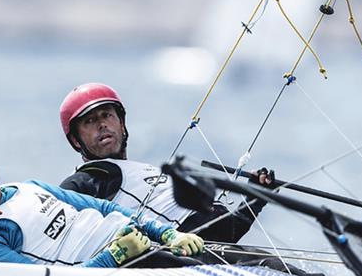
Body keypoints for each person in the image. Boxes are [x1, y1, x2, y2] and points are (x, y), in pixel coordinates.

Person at [0, 132, 205, 268]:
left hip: (142, 245)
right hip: (115, 272)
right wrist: (115, 256)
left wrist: (166, 232)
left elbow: (105, 208)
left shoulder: (28, 187)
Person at [57, 83, 276, 246]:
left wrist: (256, 198)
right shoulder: (95, 174)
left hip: (217, 249)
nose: (102, 124)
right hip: (186, 259)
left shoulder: (138, 171)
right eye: (90, 121)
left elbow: (226, 232)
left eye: (107, 115)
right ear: (76, 140)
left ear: (122, 125)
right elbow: (54, 202)